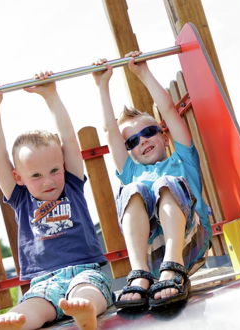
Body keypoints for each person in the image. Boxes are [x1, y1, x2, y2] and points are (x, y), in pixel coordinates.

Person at [0, 72, 112, 330]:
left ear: (63, 165)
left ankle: (86, 312)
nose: (48, 181)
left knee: (89, 291)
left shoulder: (71, 183)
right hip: (42, 281)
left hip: (83, 270)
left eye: (54, 170)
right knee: (34, 306)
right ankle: (19, 323)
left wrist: (51, 95)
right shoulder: (20, 198)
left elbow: (70, 141)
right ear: (19, 177)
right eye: (36, 176)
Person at [92, 51, 211, 310]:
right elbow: (110, 131)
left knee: (165, 184)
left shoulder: (182, 160)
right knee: (132, 191)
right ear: (130, 151)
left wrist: (143, 73)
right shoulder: (131, 172)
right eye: (133, 141)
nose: (143, 140)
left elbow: (168, 110)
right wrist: (102, 86)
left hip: (190, 240)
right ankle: (140, 272)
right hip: (151, 253)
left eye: (148, 132)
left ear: (164, 137)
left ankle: (174, 264)